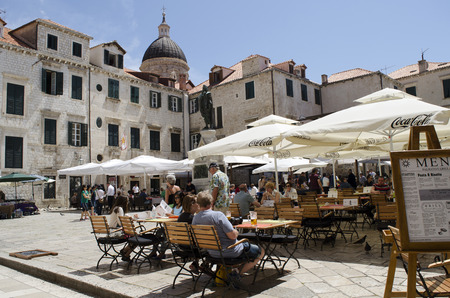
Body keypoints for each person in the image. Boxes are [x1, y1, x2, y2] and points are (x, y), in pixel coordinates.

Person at [192, 191, 264, 278]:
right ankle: (236, 273)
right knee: (261, 251)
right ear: (211, 202)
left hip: (212, 253)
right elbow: (233, 236)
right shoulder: (218, 215)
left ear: (199, 204)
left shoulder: (195, 219)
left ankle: (228, 272)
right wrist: (236, 231)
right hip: (230, 251)